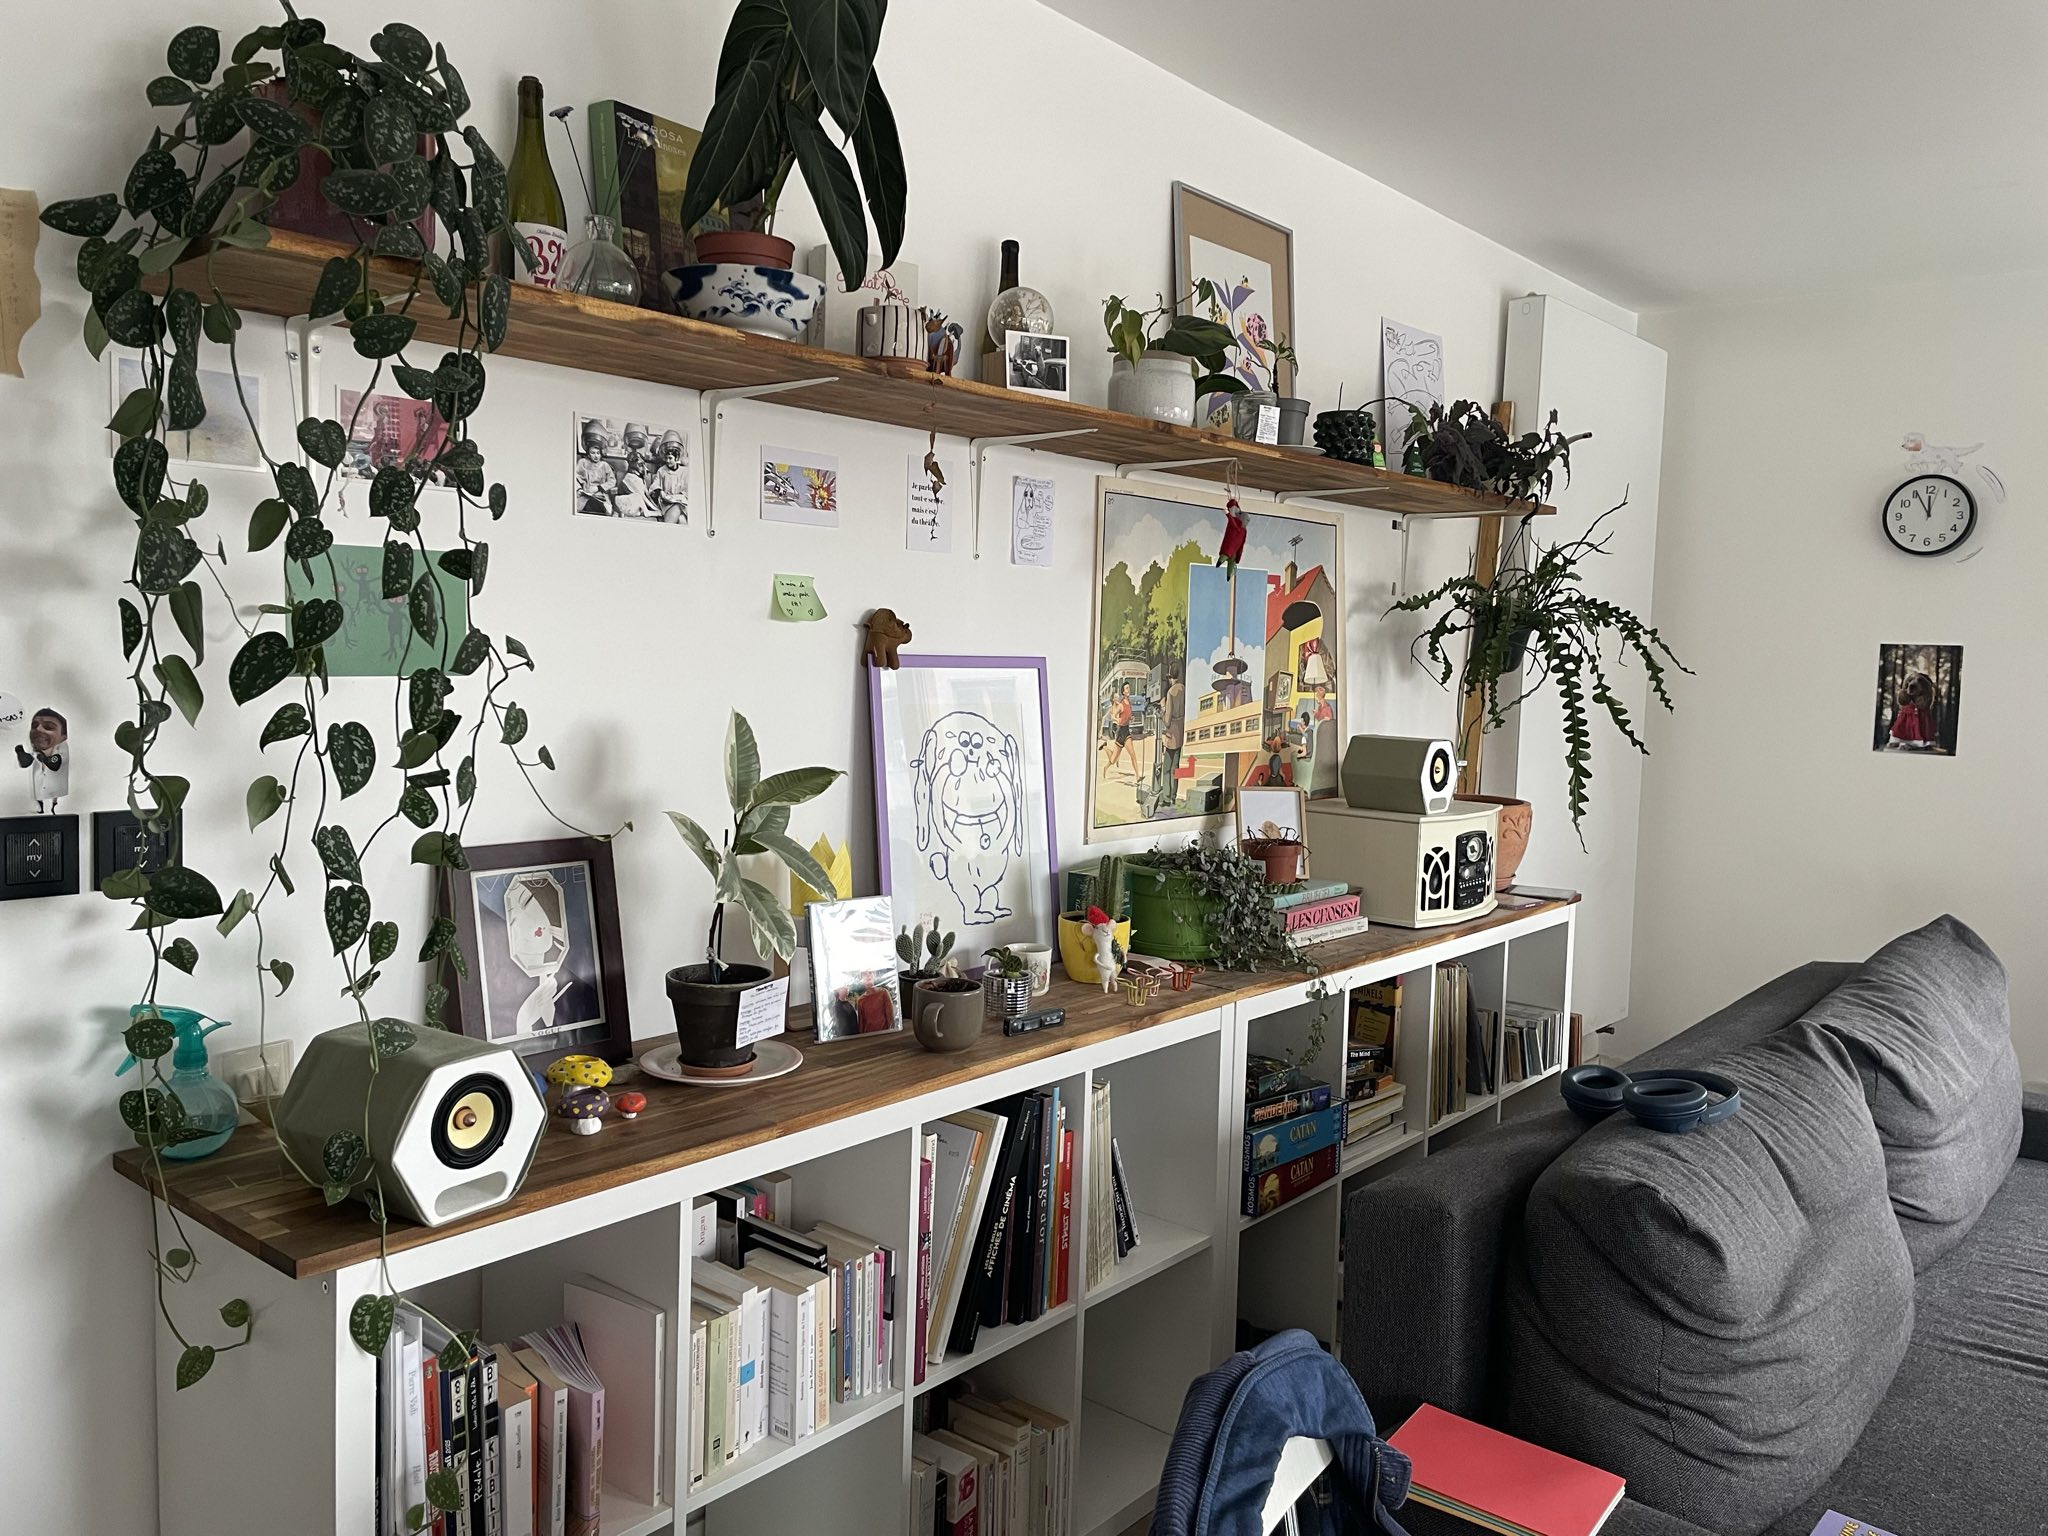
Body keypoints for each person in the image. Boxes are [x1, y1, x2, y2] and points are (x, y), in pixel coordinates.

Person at [15, 707, 68, 812]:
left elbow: (55, 764)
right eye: (34, 726)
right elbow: (25, 763)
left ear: (63, 736)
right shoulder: (33, 753)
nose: (38, 729)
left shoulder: (61, 754)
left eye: (48, 727)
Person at [575, 422, 619, 516]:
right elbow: (573, 477)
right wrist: (578, 489)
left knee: (601, 509)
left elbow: (612, 481)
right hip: (584, 495)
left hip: (600, 495)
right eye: (593, 453)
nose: (596, 456)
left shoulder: (604, 465)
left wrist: (599, 487)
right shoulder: (582, 463)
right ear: (588, 453)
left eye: (598, 453)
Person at [1887, 672, 1938, 751]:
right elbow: (1899, 725)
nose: (1912, 684)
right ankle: (1900, 741)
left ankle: (1918, 744)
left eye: (1919, 681)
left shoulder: (1924, 712)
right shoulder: (1906, 708)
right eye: (1910, 681)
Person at [650, 429, 690, 523]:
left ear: (676, 458)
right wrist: (661, 492)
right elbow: (655, 485)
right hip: (666, 503)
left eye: (670, 458)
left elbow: (687, 492)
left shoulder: (685, 472)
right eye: (666, 458)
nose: (668, 461)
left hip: (681, 503)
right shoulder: (662, 471)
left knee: (681, 519)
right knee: (678, 513)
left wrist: (678, 498)